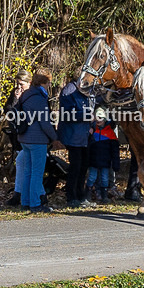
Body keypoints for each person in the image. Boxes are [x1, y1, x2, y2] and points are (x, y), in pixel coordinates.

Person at [16, 69, 58, 213]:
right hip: (37, 140)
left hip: (24, 139)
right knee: (36, 173)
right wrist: (55, 137)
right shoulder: (39, 98)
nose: (49, 86)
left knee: (28, 172)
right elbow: (45, 122)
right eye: (48, 83)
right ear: (44, 83)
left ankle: (25, 202)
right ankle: (35, 203)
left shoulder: (26, 95)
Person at [58, 74, 95, 208]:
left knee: (84, 166)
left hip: (84, 135)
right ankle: (71, 196)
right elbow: (67, 114)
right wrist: (87, 116)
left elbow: (92, 108)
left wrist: (92, 126)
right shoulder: (69, 91)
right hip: (73, 135)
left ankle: (80, 195)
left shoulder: (86, 90)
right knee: (75, 166)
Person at [3, 70, 32, 206]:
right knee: (21, 163)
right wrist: (15, 99)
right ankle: (19, 194)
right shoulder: (16, 93)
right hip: (19, 135)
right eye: (17, 83)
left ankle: (25, 195)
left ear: (29, 83)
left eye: (22, 84)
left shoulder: (32, 95)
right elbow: (8, 110)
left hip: (31, 135)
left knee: (25, 164)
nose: (19, 87)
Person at [86, 108, 120, 204]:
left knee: (105, 178)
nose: (98, 120)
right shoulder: (92, 131)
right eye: (96, 118)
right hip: (93, 160)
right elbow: (87, 147)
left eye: (100, 118)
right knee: (92, 177)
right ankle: (87, 194)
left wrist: (115, 164)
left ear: (105, 119)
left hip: (105, 161)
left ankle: (104, 195)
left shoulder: (110, 133)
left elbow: (115, 151)